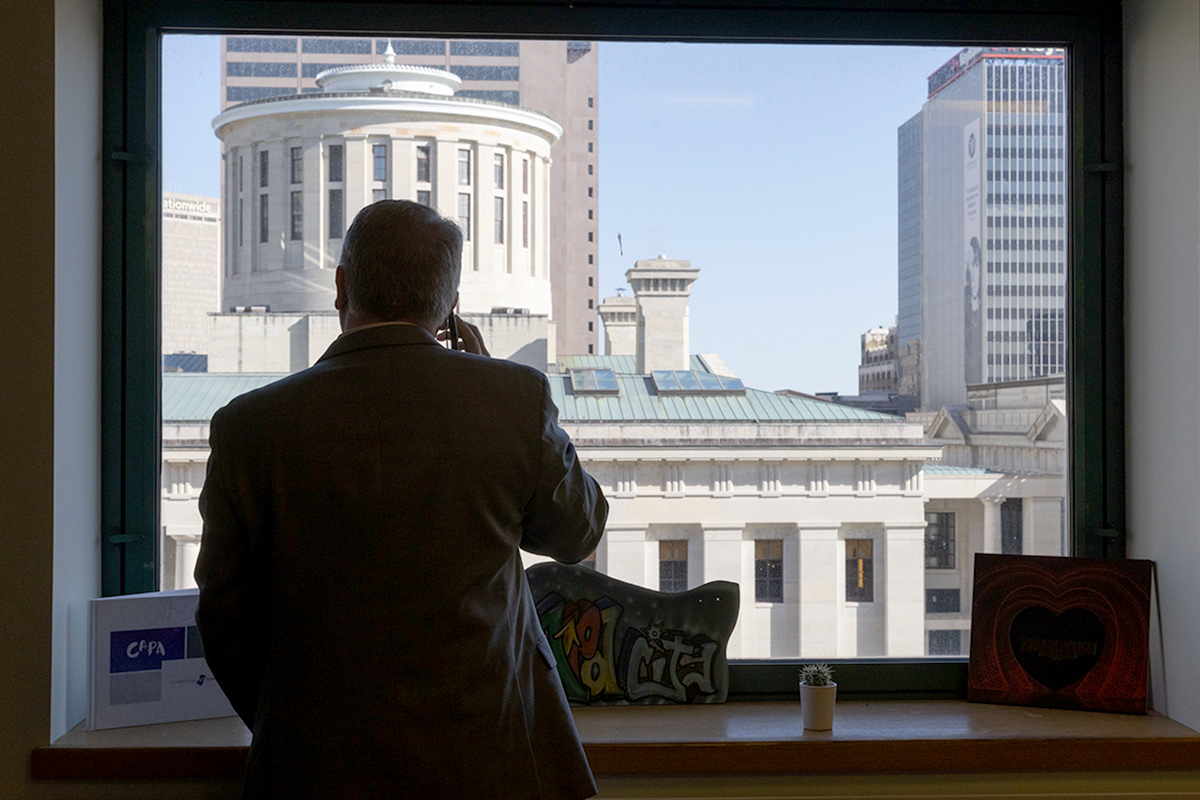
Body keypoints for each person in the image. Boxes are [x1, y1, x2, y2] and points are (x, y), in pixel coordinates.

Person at [194, 200, 608, 799]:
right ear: (449, 304)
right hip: (487, 763)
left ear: (341, 287)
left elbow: (225, 617)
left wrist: (293, 724)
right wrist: (497, 389)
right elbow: (578, 533)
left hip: (313, 770)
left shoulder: (250, 426)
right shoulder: (513, 400)